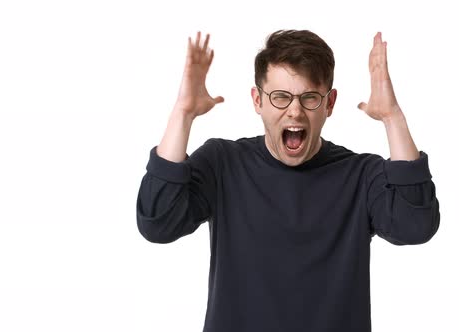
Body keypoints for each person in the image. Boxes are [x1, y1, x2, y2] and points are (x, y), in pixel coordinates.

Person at [136, 29, 440, 332]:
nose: (295, 111)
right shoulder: (223, 162)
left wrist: (392, 116)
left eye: (309, 98)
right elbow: (158, 222)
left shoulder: (360, 175)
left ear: (329, 103)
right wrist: (183, 112)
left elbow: (415, 225)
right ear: (258, 101)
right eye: (280, 97)